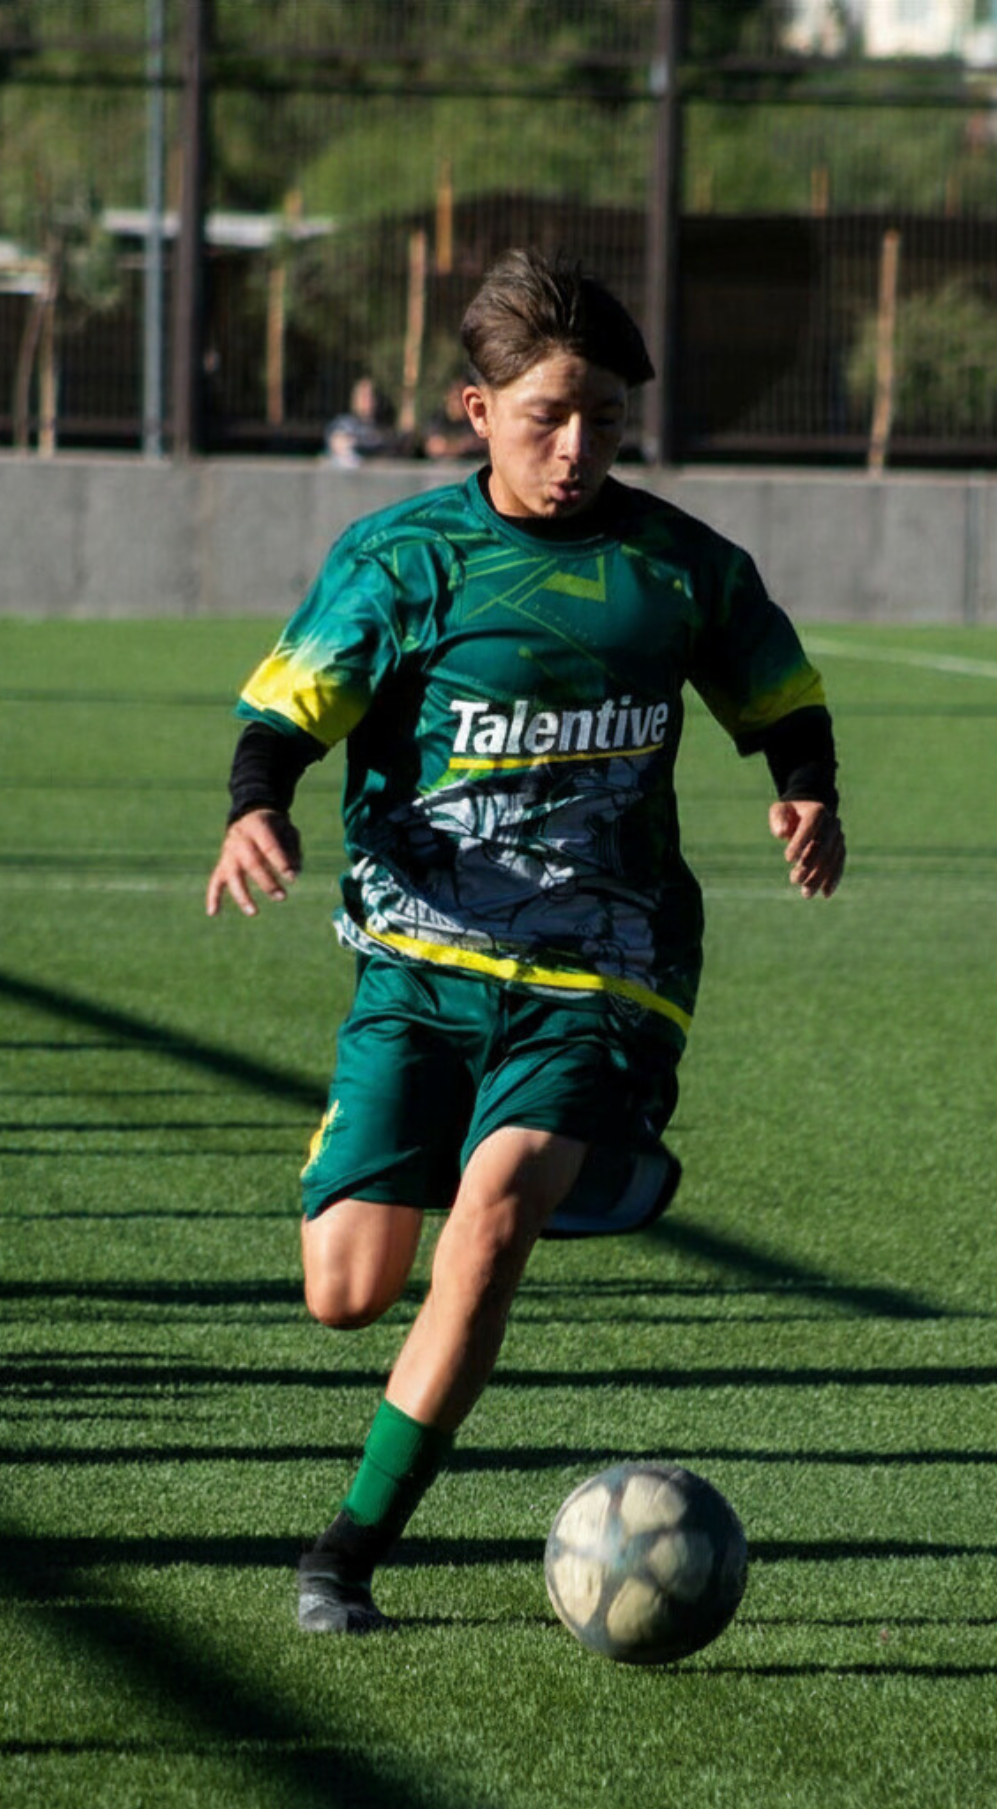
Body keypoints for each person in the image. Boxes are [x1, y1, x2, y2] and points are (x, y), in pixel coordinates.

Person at [205, 249, 845, 1636]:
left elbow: (783, 697)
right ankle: (408, 1136)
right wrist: (258, 809)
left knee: (494, 1217)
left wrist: (808, 788)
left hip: (602, 968)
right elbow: (285, 718)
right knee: (346, 1293)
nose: (577, 448)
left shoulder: (677, 568)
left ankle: (345, 1557)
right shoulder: (402, 562)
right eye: (549, 414)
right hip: (420, 958)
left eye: (605, 420)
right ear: (474, 409)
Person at [324, 374, 395, 468]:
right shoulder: (343, 424)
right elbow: (340, 447)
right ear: (355, 399)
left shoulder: (382, 430)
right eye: (363, 395)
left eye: (371, 395)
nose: (367, 400)